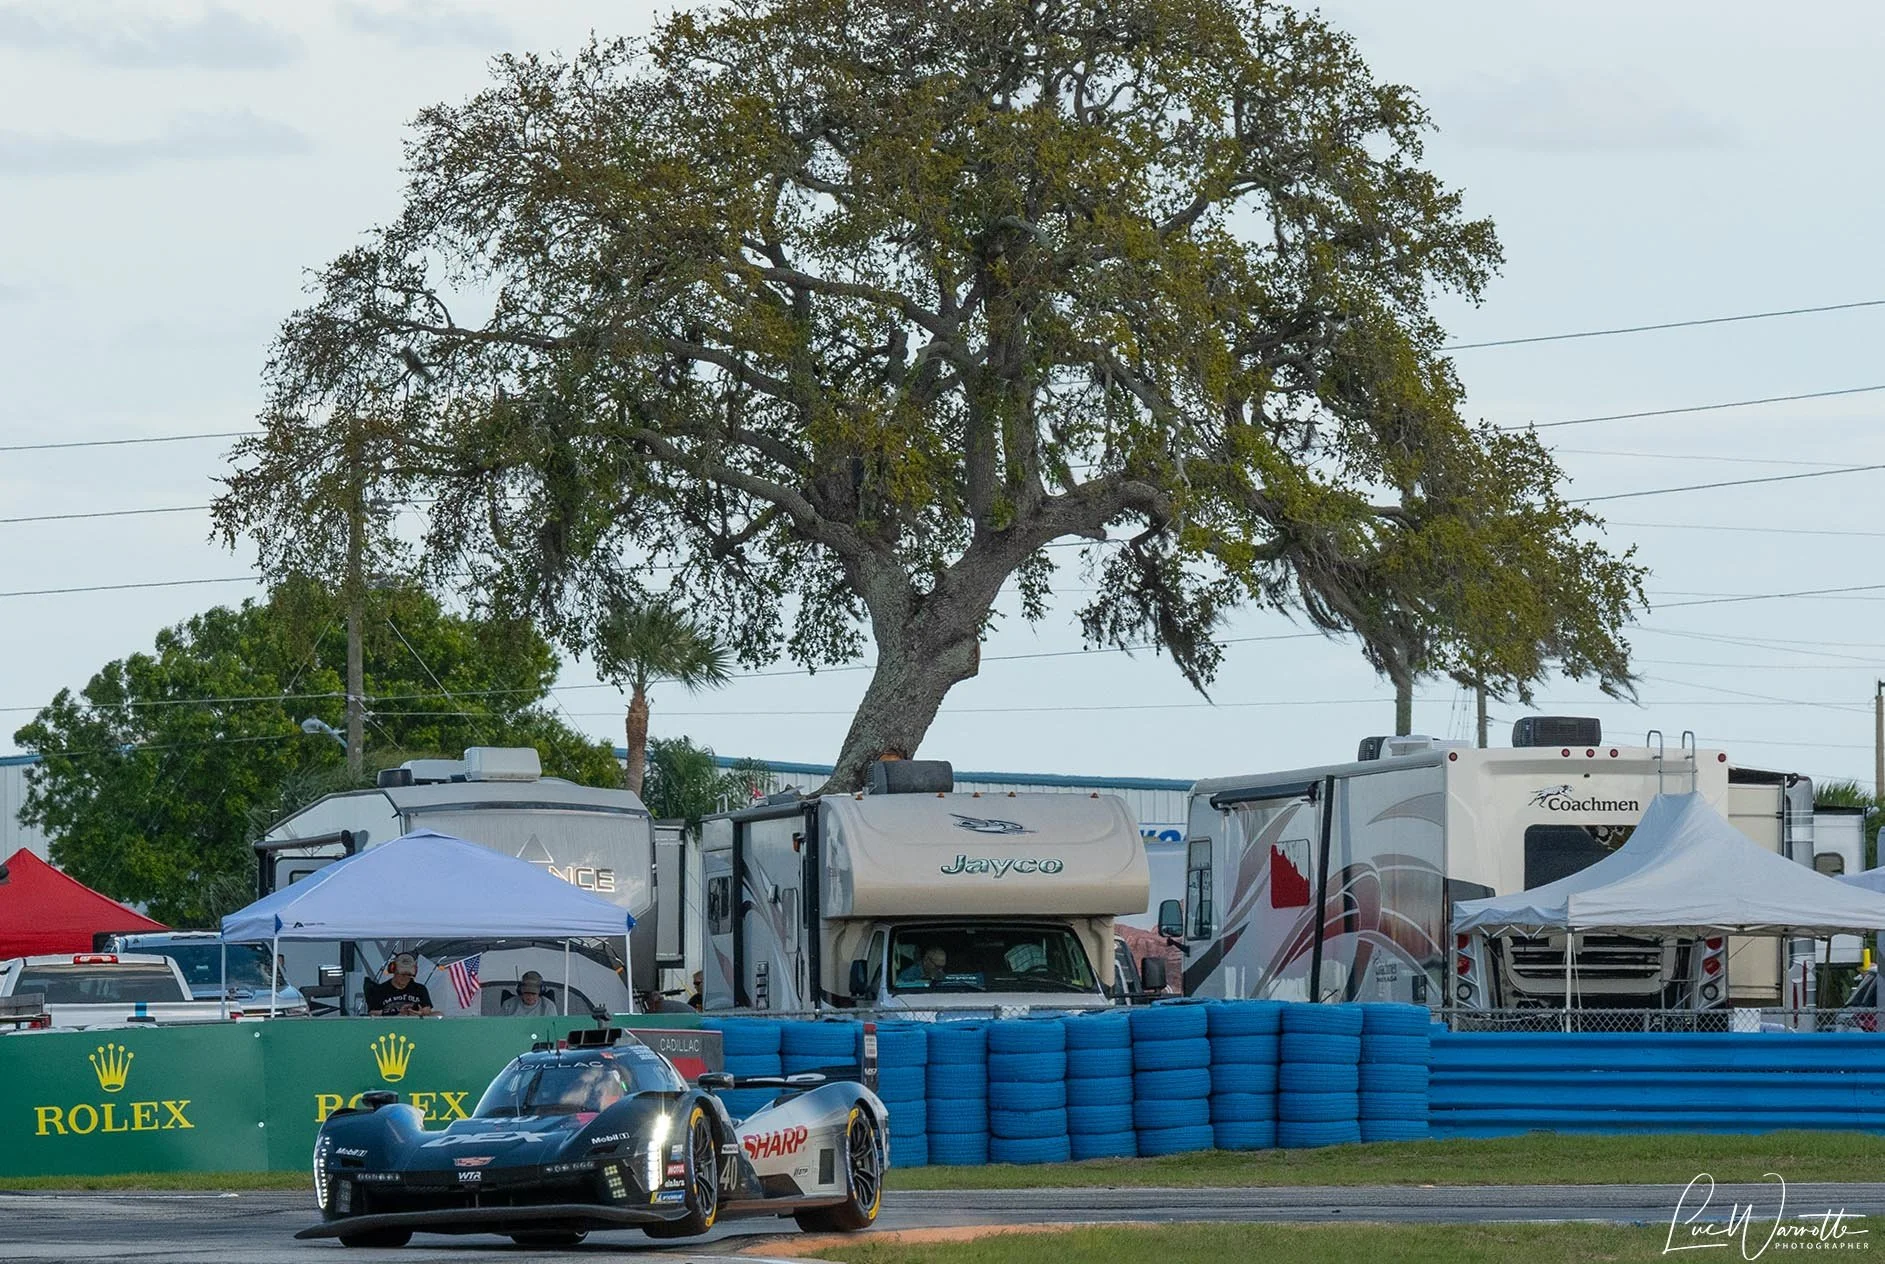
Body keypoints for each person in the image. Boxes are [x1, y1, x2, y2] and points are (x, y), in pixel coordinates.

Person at [364, 953, 436, 1016]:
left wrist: (420, 1012)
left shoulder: (420, 989)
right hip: (389, 1025)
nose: (405, 977)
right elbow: (372, 1013)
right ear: (393, 969)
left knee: (438, 1014)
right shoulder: (380, 990)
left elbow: (427, 1009)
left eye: (409, 974)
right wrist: (393, 1013)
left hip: (415, 1023)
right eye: (402, 974)